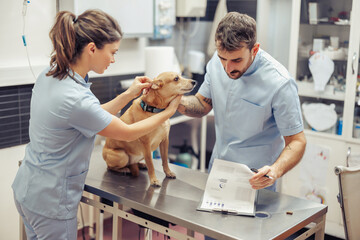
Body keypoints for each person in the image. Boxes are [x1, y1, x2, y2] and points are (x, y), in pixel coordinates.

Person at [12, 10, 181, 239]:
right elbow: (128, 133)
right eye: (112, 52)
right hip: (51, 204)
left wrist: (128, 94)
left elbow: (90, 115)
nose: (113, 59)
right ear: (92, 48)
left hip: (27, 190)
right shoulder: (76, 98)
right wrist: (168, 112)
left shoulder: (51, 74)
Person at [178, 12, 306, 191]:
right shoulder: (216, 62)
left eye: (237, 60)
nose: (228, 68)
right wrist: (174, 100)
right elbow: (202, 105)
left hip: (255, 180)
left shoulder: (280, 83)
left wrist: (275, 171)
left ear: (254, 50)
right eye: (223, 59)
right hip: (218, 172)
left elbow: (297, 141)